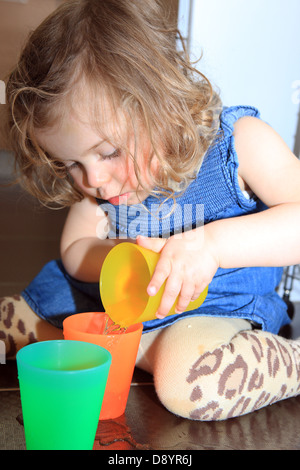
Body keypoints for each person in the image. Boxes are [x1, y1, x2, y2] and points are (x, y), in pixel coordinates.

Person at [2, 0, 300, 421]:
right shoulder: (102, 185)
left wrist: (211, 247)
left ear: (161, 102)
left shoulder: (240, 144)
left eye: (108, 152)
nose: (94, 181)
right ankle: (131, 351)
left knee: (190, 383)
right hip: (123, 304)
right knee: (11, 313)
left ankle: (289, 362)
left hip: (216, 311)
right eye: (71, 164)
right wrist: (118, 257)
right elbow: (74, 247)